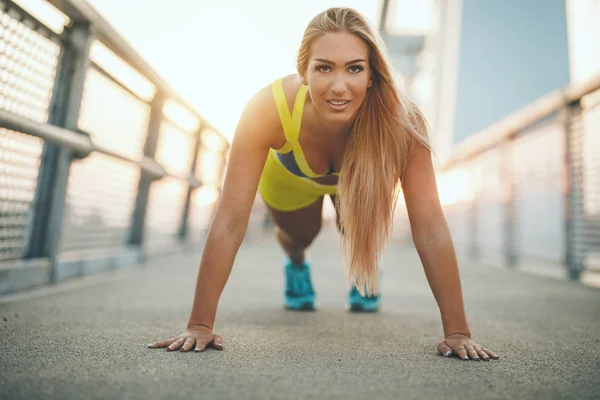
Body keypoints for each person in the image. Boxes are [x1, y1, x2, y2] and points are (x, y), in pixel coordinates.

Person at [148, 7, 499, 361]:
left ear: (372, 75)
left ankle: (364, 267)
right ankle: (297, 265)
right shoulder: (267, 109)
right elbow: (229, 220)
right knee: (302, 234)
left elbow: (431, 229)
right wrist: (199, 325)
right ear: (303, 71)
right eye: (324, 67)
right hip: (290, 177)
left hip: (359, 179)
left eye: (355, 68)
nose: (339, 85)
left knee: (355, 223)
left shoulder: (404, 124)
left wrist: (458, 332)